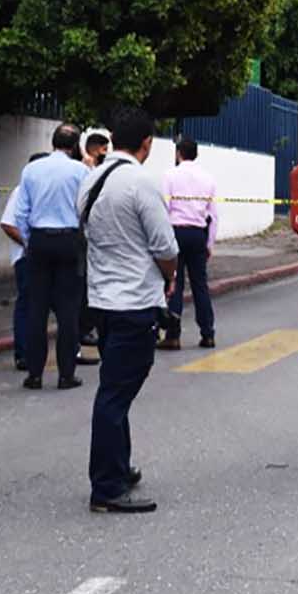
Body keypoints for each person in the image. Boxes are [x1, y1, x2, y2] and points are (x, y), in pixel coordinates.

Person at [77, 108, 177, 513]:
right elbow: (165, 246)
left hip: (101, 297)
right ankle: (105, 487)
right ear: (147, 143)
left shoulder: (92, 180)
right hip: (135, 301)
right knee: (116, 394)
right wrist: (168, 276)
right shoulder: (139, 183)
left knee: (117, 389)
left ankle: (119, 467)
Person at [13, 124, 90, 389]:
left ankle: (34, 373)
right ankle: (66, 373)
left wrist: (27, 242)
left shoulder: (31, 169)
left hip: (39, 239)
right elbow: (86, 209)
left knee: (37, 309)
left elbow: (21, 212)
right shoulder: (81, 171)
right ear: (76, 146)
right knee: (69, 311)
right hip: (69, 239)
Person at [161, 136, 218, 351]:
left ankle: (173, 335)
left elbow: (164, 208)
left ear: (178, 153)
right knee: (200, 285)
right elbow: (213, 214)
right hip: (198, 234)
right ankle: (208, 333)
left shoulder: (169, 176)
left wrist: (163, 241)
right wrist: (209, 242)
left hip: (175, 232)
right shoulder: (208, 179)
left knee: (174, 283)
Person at [0, 152, 47, 372]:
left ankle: (36, 351)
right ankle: (23, 353)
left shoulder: (46, 190)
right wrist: (29, 244)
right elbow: (8, 224)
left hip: (45, 256)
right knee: (27, 303)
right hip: (26, 257)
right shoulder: (21, 191)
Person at [77, 129, 111, 365]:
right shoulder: (84, 171)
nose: (106, 154)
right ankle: (83, 329)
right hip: (80, 239)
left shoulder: (97, 171)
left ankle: (87, 328)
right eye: (103, 150)